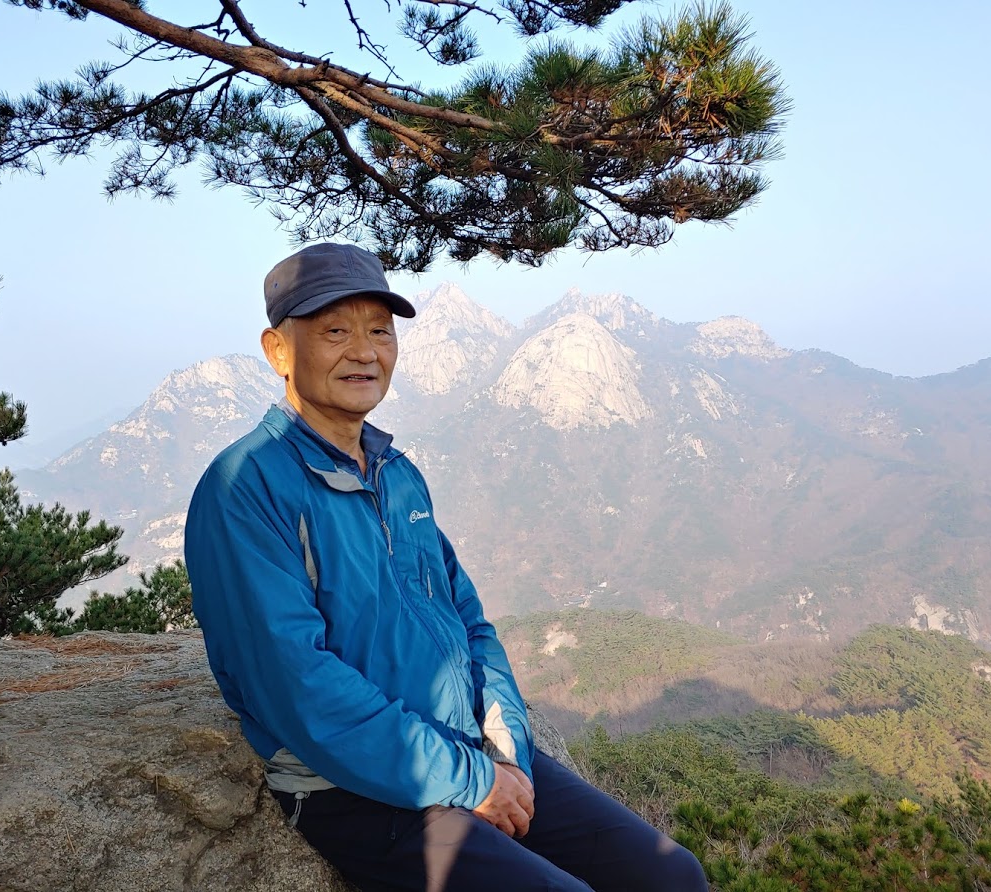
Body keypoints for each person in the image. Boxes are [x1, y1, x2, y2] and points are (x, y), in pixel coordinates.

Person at [184, 243, 707, 892]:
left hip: (464, 750)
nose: (364, 352)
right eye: (335, 332)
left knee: (671, 874)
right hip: (356, 787)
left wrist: (505, 745)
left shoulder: (396, 476)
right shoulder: (245, 488)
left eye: (380, 331)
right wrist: (472, 781)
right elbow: (298, 686)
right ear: (279, 351)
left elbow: (469, 622)